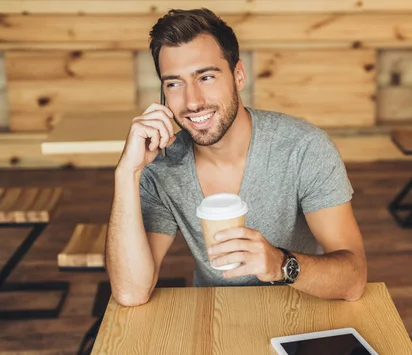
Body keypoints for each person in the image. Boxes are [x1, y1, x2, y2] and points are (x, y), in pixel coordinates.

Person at [105, 8, 367, 307]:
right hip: (216, 316)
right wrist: (127, 172)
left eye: (206, 77)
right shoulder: (161, 166)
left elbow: (354, 278)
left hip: (300, 312)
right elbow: (130, 292)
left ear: (238, 75)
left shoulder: (303, 148)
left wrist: (280, 264)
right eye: (174, 83)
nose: (192, 101)